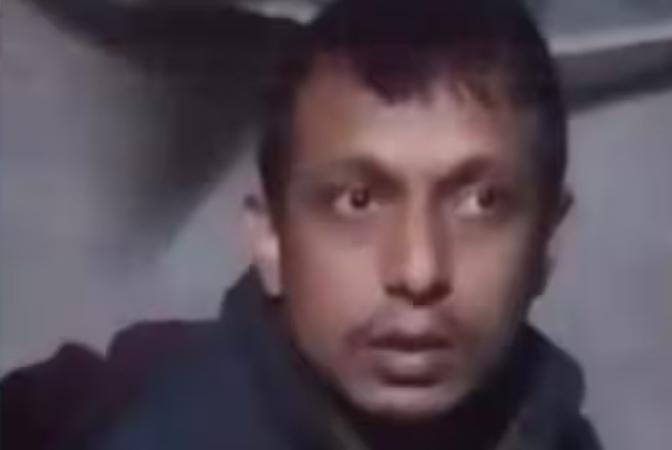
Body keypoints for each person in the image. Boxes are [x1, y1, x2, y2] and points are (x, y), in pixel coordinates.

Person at [1, 0, 601, 448]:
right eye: (357, 201)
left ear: (549, 240)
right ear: (268, 237)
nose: (418, 269)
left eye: (481, 201)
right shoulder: (130, 417)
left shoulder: (554, 432)